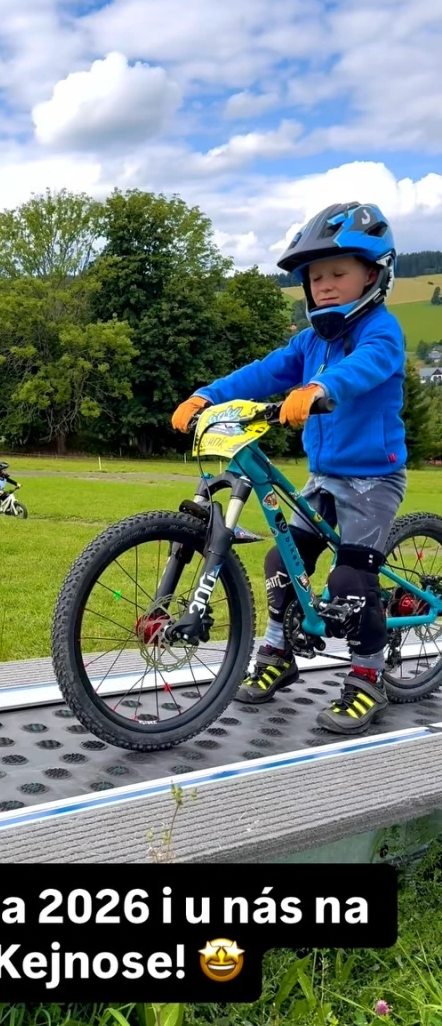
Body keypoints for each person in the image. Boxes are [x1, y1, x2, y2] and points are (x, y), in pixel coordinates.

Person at [172, 201, 406, 735]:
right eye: (315, 277)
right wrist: (206, 395)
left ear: (373, 275)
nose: (324, 286)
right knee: (282, 560)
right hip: (324, 477)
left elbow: (365, 366)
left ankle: (368, 679)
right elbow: (264, 372)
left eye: (338, 273)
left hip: (373, 478)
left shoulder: (382, 331)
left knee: (350, 580)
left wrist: (321, 386)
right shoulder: (310, 342)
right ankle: (279, 653)